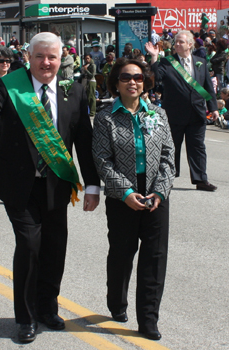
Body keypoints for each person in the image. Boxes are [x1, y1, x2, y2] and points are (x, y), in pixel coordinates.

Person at [0, 32, 100, 344]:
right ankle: (26, 318)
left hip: (57, 183)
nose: (46, 62)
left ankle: (48, 308)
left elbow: (84, 140)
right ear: (28, 57)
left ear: (61, 59)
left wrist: (93, 185)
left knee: (55, 247)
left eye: (52, 57)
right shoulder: (11, 84)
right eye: (40, 56)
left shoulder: (74, 88)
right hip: (19, 183)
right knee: (30, 245)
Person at [93, 58, 175, 341]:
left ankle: (148, 319)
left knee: (154, 259)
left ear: (145, 82)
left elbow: (168, 157)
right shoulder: (105, 117)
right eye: (126, 77)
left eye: (138, 78)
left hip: (155, 198)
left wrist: (160, 192)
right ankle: (116, 303)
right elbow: (102, 161)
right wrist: (126, 193)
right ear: (116, 82)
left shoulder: (158, 114)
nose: (133, 82)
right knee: (121, 255)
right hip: (122, 199)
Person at [145, 30, 218, 191]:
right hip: (174, 113)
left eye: (181, 42)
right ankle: (169, 178)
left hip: (197, 113)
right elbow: (156, 79)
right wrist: (155, 57)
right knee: (172, 147)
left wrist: (213, 108)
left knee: (197, 147)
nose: (177, 44)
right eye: (176, 42)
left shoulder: (201, 62)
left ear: (190, 45)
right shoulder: (167, 62)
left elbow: (207, 88)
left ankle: (200, 179)